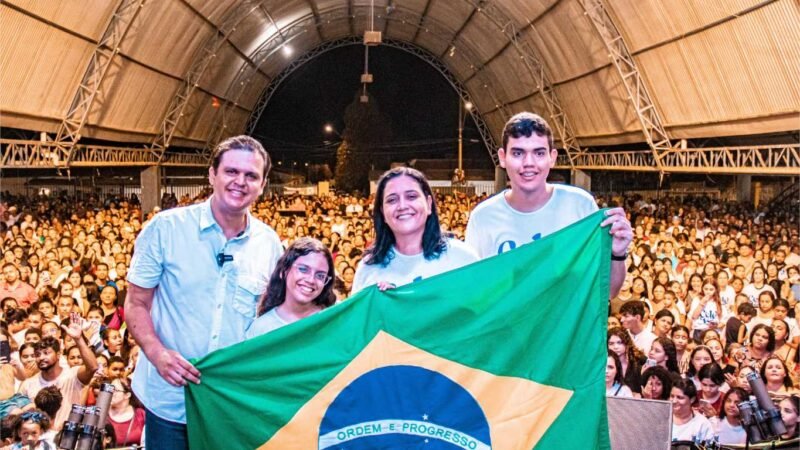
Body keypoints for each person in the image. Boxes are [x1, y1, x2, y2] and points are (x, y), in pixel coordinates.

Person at [125, 135, 283, 450]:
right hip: (170, 399)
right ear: (212, 175)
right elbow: (136, 303)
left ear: (262, 185)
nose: (240, 182)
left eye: (251, 175)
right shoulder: (166, 228)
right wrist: (157, 354)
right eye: (231, 171)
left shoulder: (269, 244)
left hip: (230, 402)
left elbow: (274, 318)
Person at [465, 112, 632, 298]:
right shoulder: (483, 217)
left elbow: (607, 292)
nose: (529, 163)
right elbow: (472, 293)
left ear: (552, 157)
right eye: (518, 153)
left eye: (539, 153)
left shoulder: (579, 205)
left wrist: (617, 254)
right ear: (503, 158)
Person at [351, 167, 478, 294]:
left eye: (411, 196)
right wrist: (388, 302)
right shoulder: (368, 269)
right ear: (382, 212)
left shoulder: (462, 258)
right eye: (392, 200)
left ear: (428, 204)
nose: (402, 206)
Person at [18, 313, 97, 431]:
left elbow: (93, 367)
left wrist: (78, 339)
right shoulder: (28, 385)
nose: (41, 358)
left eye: (46, 353)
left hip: (67, 437)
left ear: (59, 354)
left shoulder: (72, 375)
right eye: (38, 354)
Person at [246, 238, 336, 338]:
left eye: (320, 275)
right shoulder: (261, 329)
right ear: (284, 271)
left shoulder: (333, 319)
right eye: (303, 269)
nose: (311, 280)